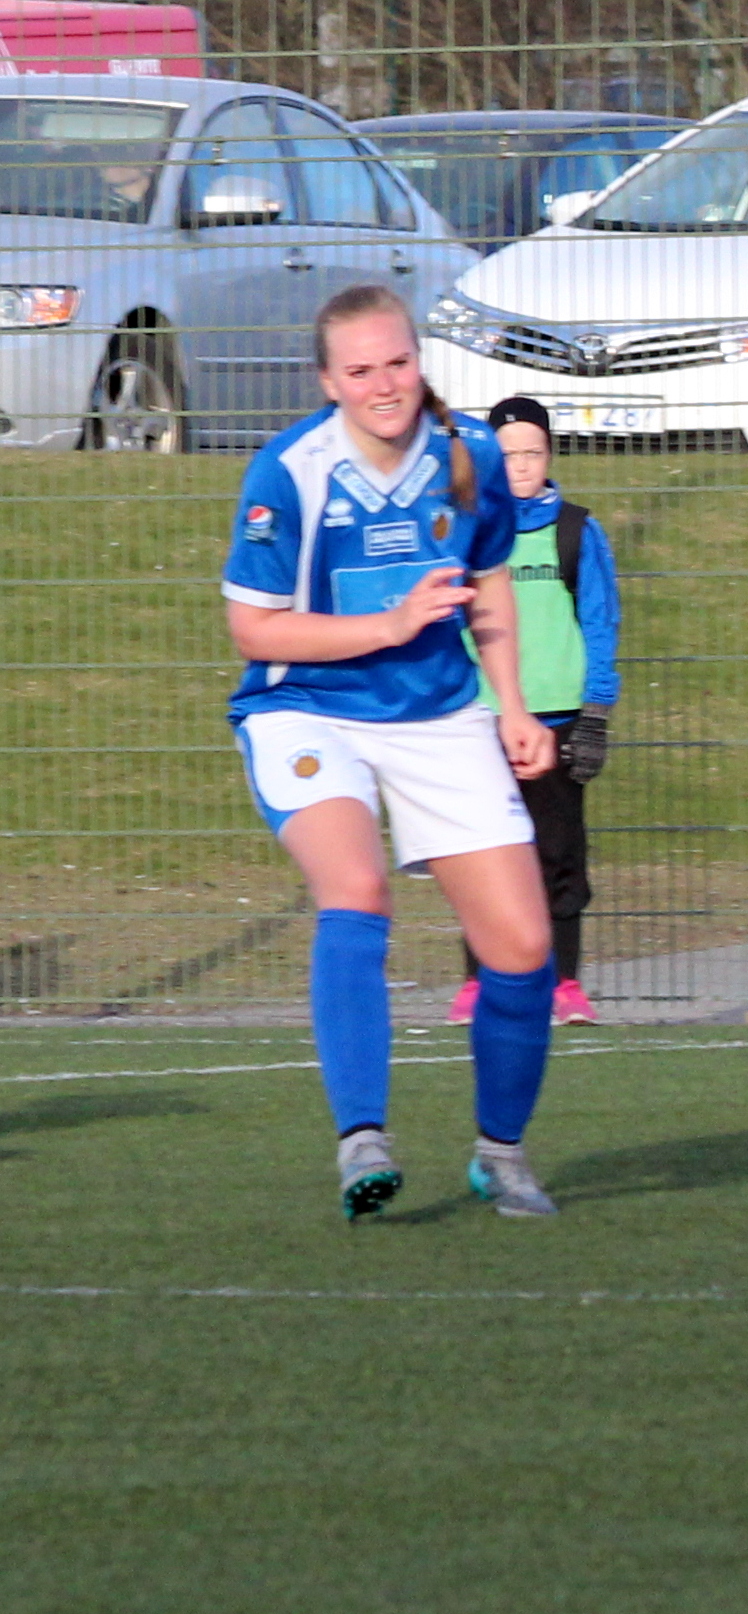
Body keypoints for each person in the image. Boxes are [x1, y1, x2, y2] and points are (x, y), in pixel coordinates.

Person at [221, 283, 565, 1221]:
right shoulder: (288, 472)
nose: (385, 384)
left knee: (523, 945)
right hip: (307, 710)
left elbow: (488, 582)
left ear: (420, 361)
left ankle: (501, 1153)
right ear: (327, 381)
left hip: (438, 713)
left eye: (399, 362)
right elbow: (254, 629)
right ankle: (362, 1139)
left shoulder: (471, 453)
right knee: (356, 887)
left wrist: (513, 706)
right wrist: (390, 623)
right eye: (361, 369)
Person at [445, 396, 620, 1031]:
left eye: (533, 453)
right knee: (481, 852)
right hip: (482, 716)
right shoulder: (467, 529)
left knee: (558, 850)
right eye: (508, 454)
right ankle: (478, 982)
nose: (521, 465)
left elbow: (599, 622)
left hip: (558, 716)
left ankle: (564, 982)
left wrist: (595, 712)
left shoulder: (575, 531)